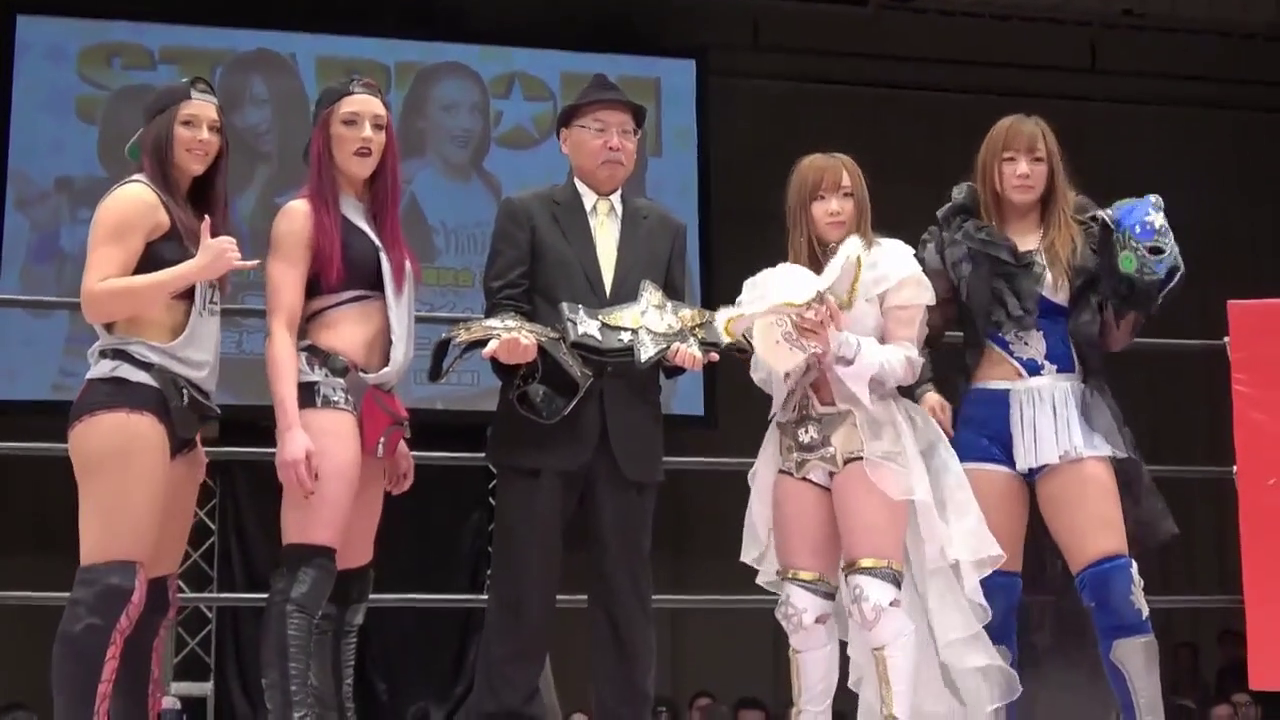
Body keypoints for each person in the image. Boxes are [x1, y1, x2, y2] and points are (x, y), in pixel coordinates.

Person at [903, 113, 1184, 719]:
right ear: (991, 168)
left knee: (1115, 586)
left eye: (1035, 159)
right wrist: (923, 388)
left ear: (1051, 168)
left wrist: (1141, 285)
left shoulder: (1085, 235)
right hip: (986, 417)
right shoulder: (956, 238)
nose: (1023, 170)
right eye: (1010, 159)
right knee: (990, 602)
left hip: (1065, 408)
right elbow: (916, 325)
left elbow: (1112, 339)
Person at [730, 152, 1018, 718]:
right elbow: (765, 370)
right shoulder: (779, 283)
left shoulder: (890, 263)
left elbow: (906, 362)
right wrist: (788, 344)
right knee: (801, 607)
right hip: (797, 437)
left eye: (845, 194)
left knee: (874, 597)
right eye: (820, 197)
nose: (834, 207)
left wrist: (840, 345)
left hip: (871, 432)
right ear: (802, 208)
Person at [467, 73, 709, 718]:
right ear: (565, 140)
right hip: (542, 425)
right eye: (599, 130)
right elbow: (505, 305)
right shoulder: (525, 211)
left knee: (627, 600)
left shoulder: (665, 227)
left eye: (627, 132)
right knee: (521, 595)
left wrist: (681, 353)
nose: (615, 143)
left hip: (628, 434)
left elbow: (670, 324)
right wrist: (511, 344)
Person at [52, 77, 246, 719]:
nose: (204, 138)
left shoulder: (193, 215)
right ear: (159, 130)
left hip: (180, 410)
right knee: (112, 586)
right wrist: (194, 269)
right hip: (128, 391)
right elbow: (95, 297)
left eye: (214, 128)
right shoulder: (137, 198)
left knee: (156, 597)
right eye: (190, 123)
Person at [261, 76, 417, 717]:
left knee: (351, 585)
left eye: (378, 124)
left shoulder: (381, 226)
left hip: (370, 404)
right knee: (309, 571)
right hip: (322, 386)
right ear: (323, 134)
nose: (367, 135)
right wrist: (288, 428)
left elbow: (387, 336)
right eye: (351, 121)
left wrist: (395, 427)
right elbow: (278, 327)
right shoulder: (301, 216)